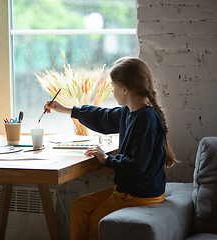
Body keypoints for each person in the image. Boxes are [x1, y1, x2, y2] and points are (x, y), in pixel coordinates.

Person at [43, 57, 178, 240]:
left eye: (113, 86)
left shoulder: (146, 119)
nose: (112, 91)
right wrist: (69, 110)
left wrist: (107, 160)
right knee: (79, 207)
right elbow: (102, 117)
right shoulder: (128, 112)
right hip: (128, 191)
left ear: (124, 89)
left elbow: (136, 166)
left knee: (95, 223)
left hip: (140, 194)